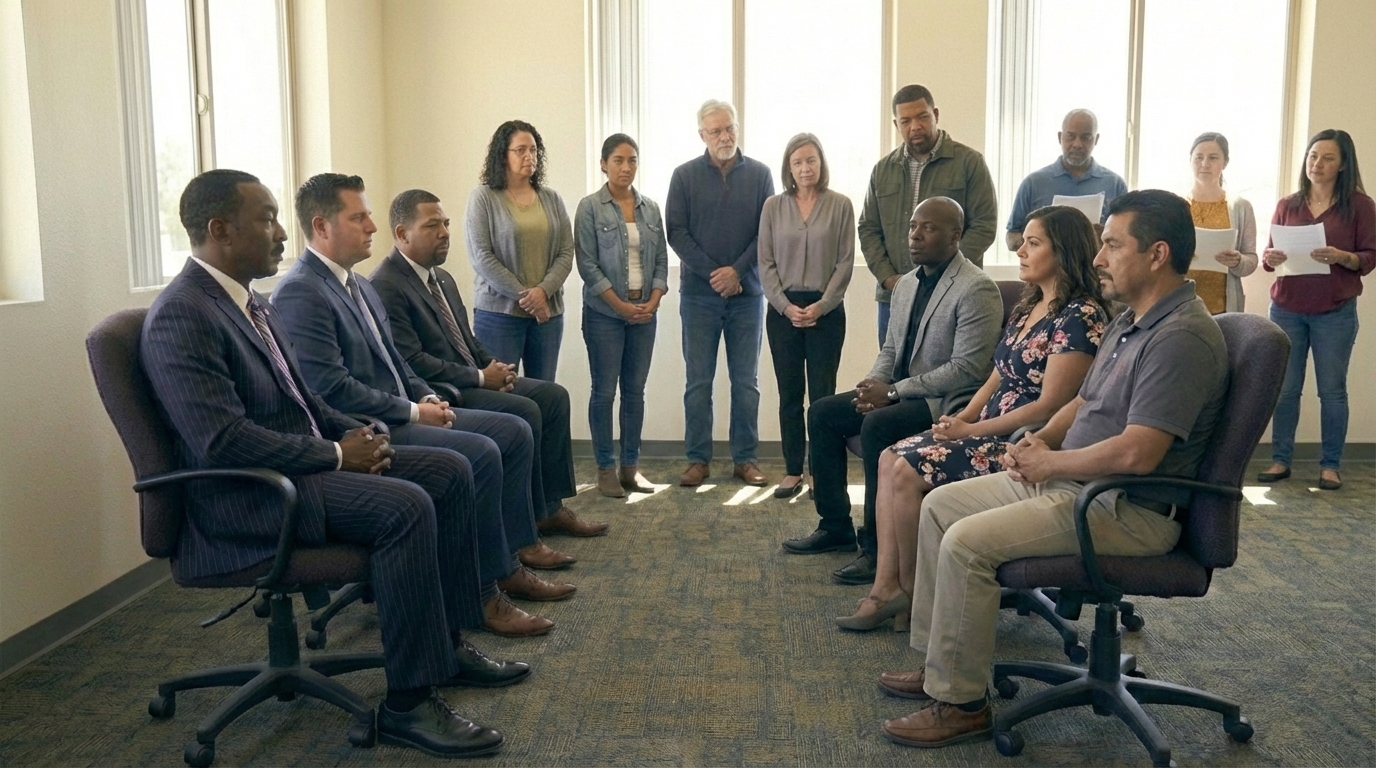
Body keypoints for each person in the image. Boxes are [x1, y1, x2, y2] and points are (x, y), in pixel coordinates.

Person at [143, 169, 526, 758]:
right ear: (219, 230)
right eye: (266, 219)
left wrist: (357, 435)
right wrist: (333, 454)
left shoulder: (250, 303)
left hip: (303, 468)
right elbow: (221, 442)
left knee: (449, 473)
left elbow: (305, 399)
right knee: (406, 507)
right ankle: (407, 703)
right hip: (252, 495)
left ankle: (443, 649)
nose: (279, 233)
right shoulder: (183, 314)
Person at [877, 190, 1227, 750]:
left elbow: (1139, 453)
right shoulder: (1131, 321)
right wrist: (1038, 440)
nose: (1098, 257)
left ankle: (961, 703)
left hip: (1124, 507)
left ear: (1157, 254)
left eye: (1112, 244)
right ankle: (941, 667)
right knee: (940, 507)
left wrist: (1051, 460)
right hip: (1076, 482)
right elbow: (1083, 404)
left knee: (966, 542)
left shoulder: (1179, 336)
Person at [273, 173, 570, 640]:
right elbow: (330, 388)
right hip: (365, 429)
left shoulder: (357, 284)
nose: (372, 225)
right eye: (359, 217)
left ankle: (505, 564)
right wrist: (412, 412)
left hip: (401, 409)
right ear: (322, 226)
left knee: (510, 431)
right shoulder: (301, 290)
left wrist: (424, 396)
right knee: (482, 449)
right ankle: (484, 593)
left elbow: (396, 362)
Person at [837, 206, 1107, 630]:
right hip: (984, 428)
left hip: (1022, 440)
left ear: (1065, 252)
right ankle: (888, 587)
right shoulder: (1027, 305)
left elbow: (1050, 406)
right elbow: (996, 376)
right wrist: (957, 420)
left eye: (1033, 243)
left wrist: (972, 430)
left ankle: (913, 598)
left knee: (907, 469)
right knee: (890, 456)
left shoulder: (1081, 316)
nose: (1019, 249)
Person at [781, 197, 1002, 588]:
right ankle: (835, 527)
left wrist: (893, 393)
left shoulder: (976, 288)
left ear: (956, 236)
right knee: (822, 412)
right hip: (899, 391)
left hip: (945, 403)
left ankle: (877, 549)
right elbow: (890, 350)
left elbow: (965, 369)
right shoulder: (906, 284)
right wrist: (870, 388)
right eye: (913, 226)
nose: (915, 235)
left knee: (878, 425)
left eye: (928, 228)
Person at [371, 188, 608, 537]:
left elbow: (465, 339)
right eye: (432, 225)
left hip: (470, 376)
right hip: (442, 390)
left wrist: (495, 366)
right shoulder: (386, 284)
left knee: (554, 397)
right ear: (403, 234)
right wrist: (481, 377)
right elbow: (413, 361)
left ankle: (549, 508)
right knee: (526, 412)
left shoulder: (442, 278)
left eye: (446, 224)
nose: (445, 233)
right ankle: (522, 529)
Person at [666, 99, 775, 488]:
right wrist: (715, 273)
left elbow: (766, 231)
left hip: (747, 296)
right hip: (698, 296)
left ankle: (745, 459)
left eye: (730, 128)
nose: (725, 136)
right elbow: (676, 232)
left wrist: (738, 271)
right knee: (698, 382)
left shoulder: (761, 175)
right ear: (702, 135)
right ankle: (698, 459)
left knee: (746, 382)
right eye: (716, 131)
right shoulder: (683, 176)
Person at [1257, 129, 1374, 491]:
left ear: (1343, 165)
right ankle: (1280, 460)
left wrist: (1344, 257)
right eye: (1312, 156)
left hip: (1334, 311)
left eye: (1327, 158)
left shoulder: (1359, 206)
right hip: (1287, 308)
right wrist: (1270, 257)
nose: (1317, 164)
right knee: (1286, 389)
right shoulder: (1288, 204)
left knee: (1332, 391)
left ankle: (1330, 465)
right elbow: (1269, 257)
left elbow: (1371, 256)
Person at [859, 84, 999, 343]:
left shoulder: (970, 163)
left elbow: (984, 225)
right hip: (895, 296)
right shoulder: (882, 170)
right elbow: (868, 228)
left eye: (922, 117)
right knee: (892, 372)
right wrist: (889, 278)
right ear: (896, 124)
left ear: (935, 114)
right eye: (906, 120)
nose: (915, 126)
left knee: (946, 375)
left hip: (953, 293)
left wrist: (942, 275)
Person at [758, 133, 855, 499]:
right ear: (788, 168)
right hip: (783, 311)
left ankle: (821, 473)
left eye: (811, 160)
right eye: (797, 162)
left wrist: (821, 306)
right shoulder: (773, 206)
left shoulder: (841, 205)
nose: (805, 168)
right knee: (789, 394)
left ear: (821, 163)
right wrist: (785, 306)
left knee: (822, 396)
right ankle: (792, 469)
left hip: (825, 310)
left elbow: (846, 263)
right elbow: (765, 263)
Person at [574, 134, 668, 497]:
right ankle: (604, 469)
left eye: (631, 160)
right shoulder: (590, 207)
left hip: (645, 313)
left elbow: (660, 258)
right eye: (617, 160)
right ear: (603, 164)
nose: (625, 167)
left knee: (635, 392)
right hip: (604, 315)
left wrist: (654, 299)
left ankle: (630, 467)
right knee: (603, 392)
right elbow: (588, 265)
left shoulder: (651, 209)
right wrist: (620, 306)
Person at [465, 120, 575, 381]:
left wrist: (542, 293)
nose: (530, 156)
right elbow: (482, 256)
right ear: (503, 154)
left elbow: (566, 252)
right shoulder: (483, 197)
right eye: (521, 150)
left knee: (545, 392)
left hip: (547, 314)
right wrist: (528, 298)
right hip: (499, 314)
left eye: (534, 150)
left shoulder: (552, 199)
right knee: (503, 392)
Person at [1004, 109, 1129, 251]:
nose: (1077, 144)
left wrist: (1104, 238)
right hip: (1045, 271)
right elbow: (1011, 238)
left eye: (1086, 137)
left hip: (1096, 270)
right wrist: (1038, 241)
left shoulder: (1115, 184)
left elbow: (1126, 239)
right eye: (1070, 136)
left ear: (1096, 139)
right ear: (1060, 137)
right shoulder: (1033, 183)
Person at [1185, 132, 1258, 313]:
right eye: (1199, 157)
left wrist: (1237, 260)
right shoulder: (1176, 205)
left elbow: (1251, 258)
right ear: (1190, 160)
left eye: (1213, 158)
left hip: (1223, 304)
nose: (1205, 164)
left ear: (1225, 162)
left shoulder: (1241, 207)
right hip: (1182, 304)